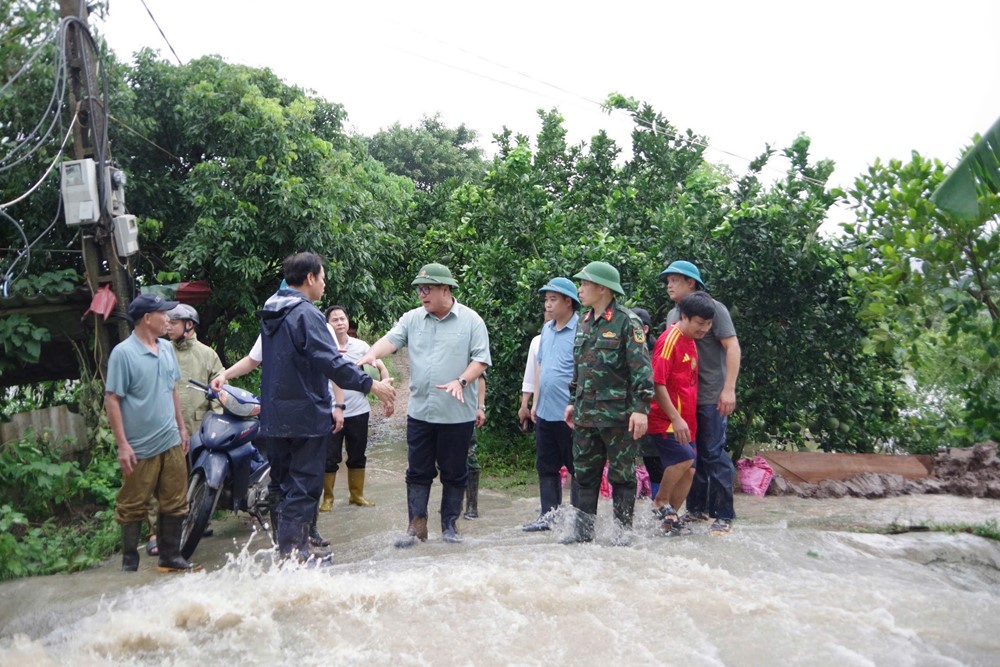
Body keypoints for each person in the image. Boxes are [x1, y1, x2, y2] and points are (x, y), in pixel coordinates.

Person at [257, 252, 396, 562]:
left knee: (281, 485)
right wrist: (370, 384)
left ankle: (285, 553)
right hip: (305, 415)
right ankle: (297, 556)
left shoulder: (272, 312)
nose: (323, 285)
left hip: (274, 416)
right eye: (322, 279)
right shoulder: (306, 315)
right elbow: (331, 361)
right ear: (309, 278)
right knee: (305, 487)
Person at [357, 262, 491, 547]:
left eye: (427, 289)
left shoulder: (471, 321)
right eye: (419, 289)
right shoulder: (412, 319)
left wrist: (462, 381)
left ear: (446, 289)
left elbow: (480, 360)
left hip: (457, 415)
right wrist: (371, 353)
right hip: (420, 413)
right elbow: (391, 340)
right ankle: (416, 529)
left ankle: (450, 527)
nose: (422, 294)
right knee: (417, 471)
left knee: (455, 472)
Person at [562, 262, 653, 545]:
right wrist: (571, 401)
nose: (580, 289)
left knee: (622, 476)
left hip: (618, 416)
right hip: (586, 415)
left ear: (603, 288)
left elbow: (641, 371)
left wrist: (640, 409)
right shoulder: (584, 321)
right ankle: (582, 533)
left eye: (585, 284)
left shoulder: (628, 322)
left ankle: (622, 534)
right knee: (584, 475)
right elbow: (579, 366)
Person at [105, 293, 197, 573]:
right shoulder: (123, 353)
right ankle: (129, 563)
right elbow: (112, 399)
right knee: (133, 504)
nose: (169, 318)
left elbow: (172, 390)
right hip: (140, 446)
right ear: (147, 318)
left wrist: (182, 428)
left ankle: (170, 556)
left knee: (175, 500)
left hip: (170, 439)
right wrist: (123, 445)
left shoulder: (167, 349)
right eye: (163, 313)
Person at [661, 260, 741, 536]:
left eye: (674, 280)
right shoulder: (674, 315)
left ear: (691, 283)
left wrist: (728, 388)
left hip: (710, 395)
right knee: (690, 457)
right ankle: (696, 510)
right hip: (683, 399)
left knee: (713, 453)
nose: (669, 285)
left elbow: (732, 346)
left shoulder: (714, 310)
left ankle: (723, 515)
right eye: (667, 280)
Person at [647, 292, 715, 535]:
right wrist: (675, 418)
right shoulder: (669, 340)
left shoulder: (692, 341)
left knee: (691, 469)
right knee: (683, 459)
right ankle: (659, 501)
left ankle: (670, 520)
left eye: (709, 324)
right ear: (684, 317)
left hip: (687, 421)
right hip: (666, 419)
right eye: (700, 323)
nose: (705, 329)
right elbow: (657, 382)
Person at [320, 304, 392, 510]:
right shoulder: (324, 348)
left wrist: (386, 388)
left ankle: (357, 495)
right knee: (330, 456)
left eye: (343, 318)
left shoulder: (360, 346)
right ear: (328, 324)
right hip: (331, 410)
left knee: (358, 453)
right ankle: (328, 499)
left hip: (359, 410)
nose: (340, 323)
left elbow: (380, 366)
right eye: (335, 319)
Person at [522, 277, 579, 532]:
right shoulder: (547, 329)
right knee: (546, 467)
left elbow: (585, 371)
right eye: (546, 299)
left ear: (569, 301)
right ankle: (548, 517)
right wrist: (534, 400)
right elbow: (540, 365)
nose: (547, 304)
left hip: (570, 414)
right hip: (545, 411)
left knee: (577, 468)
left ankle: (579, 519)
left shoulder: (582, 329)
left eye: (553, 299)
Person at [631, 307, 665, 501]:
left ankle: (658, 506)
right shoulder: (626, 349)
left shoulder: (656, 351)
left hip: (652, 415)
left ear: (644, 329)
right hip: (628, 415)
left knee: (655, 463)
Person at [464, 376, 487, 519]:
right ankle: (451, 503)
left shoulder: (471, 354)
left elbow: (481, 378)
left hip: (467, 411)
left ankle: (472, 506)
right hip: (443, 411)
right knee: (444, 458)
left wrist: (480, 407)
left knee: (470, 456)